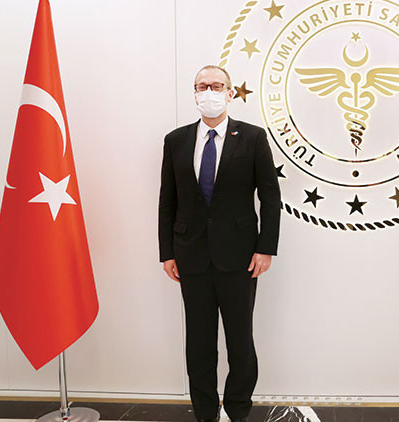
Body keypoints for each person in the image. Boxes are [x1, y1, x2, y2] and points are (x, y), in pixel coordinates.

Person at [158, 65, 281, 422]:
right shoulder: (176, 140)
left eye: (216, 85)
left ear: (229, 93)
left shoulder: (253, 137)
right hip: (190, 255)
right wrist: (167, 252)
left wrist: (266, 248)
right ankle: (205, 411)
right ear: (194, 93)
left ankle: (237, 409)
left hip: (240, 257)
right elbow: (168, 200)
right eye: (201, 86)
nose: (208, 92)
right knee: (199, 342)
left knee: (240, 340)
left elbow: (270, 197)